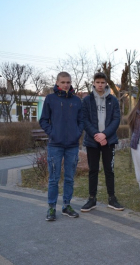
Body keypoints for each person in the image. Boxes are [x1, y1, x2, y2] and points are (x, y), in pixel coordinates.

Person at [39, 71, 84, 221]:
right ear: (57, 83)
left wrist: (77, 133)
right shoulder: (50, 99)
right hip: (55, 145)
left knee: (70, 178)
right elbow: (43, 120)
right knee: (54, 178)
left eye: (68, 82)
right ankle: (51, 208)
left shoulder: (77, 101)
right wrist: (53, 133)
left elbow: (81, 121)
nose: (66, 85)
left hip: (72, 146)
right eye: (63, 82)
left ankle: (66, 206)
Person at [80, 72, 124, 212]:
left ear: (106, 84)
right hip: (92, 142)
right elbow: (84, 119)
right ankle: (92, 199)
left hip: (108, 141)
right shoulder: (87, 100)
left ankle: (112, 198)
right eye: (97, 82)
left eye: (102, 82)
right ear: (93, 83)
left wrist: (104, 135)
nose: (100, 85)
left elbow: (116, 119)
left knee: (109, 170)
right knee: (93, 170)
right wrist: (96, 135)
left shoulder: (113, 100)